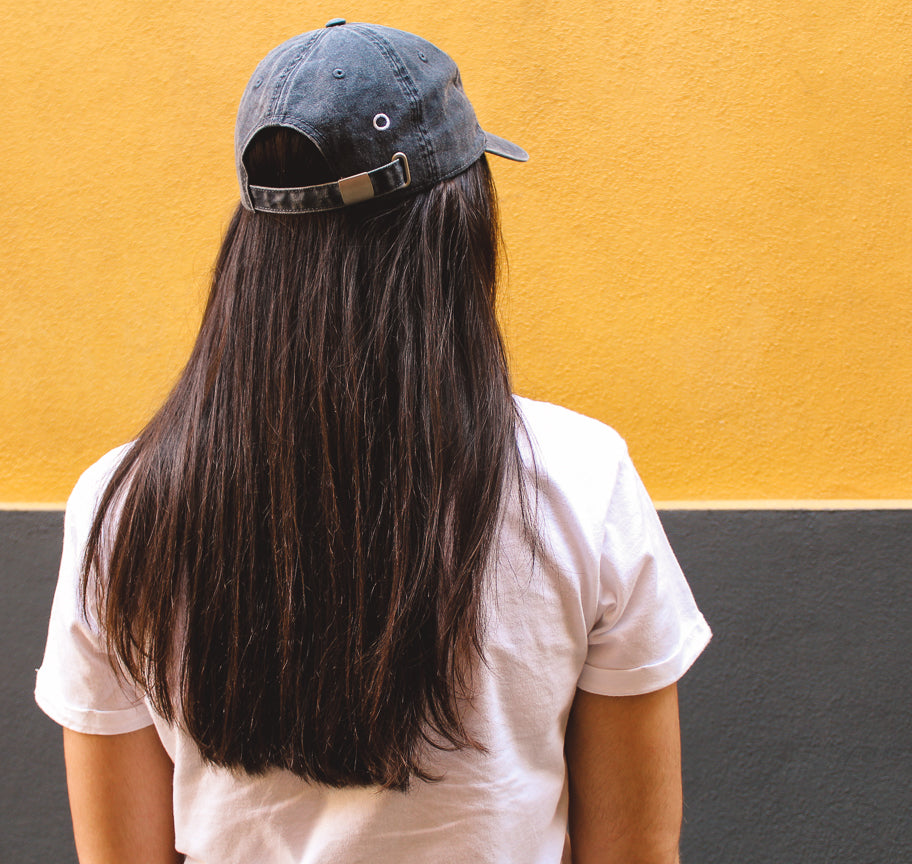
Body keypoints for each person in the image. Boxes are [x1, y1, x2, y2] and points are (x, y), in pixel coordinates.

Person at [35, 20, 710, 864]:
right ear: (459, 227)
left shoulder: (123, 505)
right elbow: (635, 850)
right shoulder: (582, 479)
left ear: (253, 241)